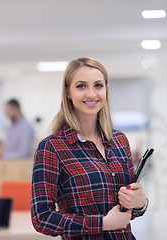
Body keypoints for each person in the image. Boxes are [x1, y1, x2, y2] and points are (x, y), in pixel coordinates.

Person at [31, 57, 148, 240]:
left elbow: (127, 213)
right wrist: (103, 223)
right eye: (81, 86)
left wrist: (140, 203)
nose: (92, 94)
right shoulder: (52, 148)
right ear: (68, 92)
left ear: (106, 90)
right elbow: (42, 218)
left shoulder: (119, 140)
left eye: (98, 85)